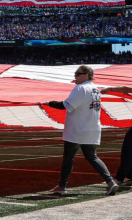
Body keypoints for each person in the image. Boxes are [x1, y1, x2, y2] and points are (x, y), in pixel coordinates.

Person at [43, 65, 119, 196]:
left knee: (68, 157)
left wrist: (49, 103)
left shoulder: (80, 88)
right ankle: (110, 181)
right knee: (92, 157)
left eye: (78, 74)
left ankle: (62, 186)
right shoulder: (95, 89)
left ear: (86, 75)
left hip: (78, 128)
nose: (75, 76)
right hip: (92, 127)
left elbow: (66, 105)